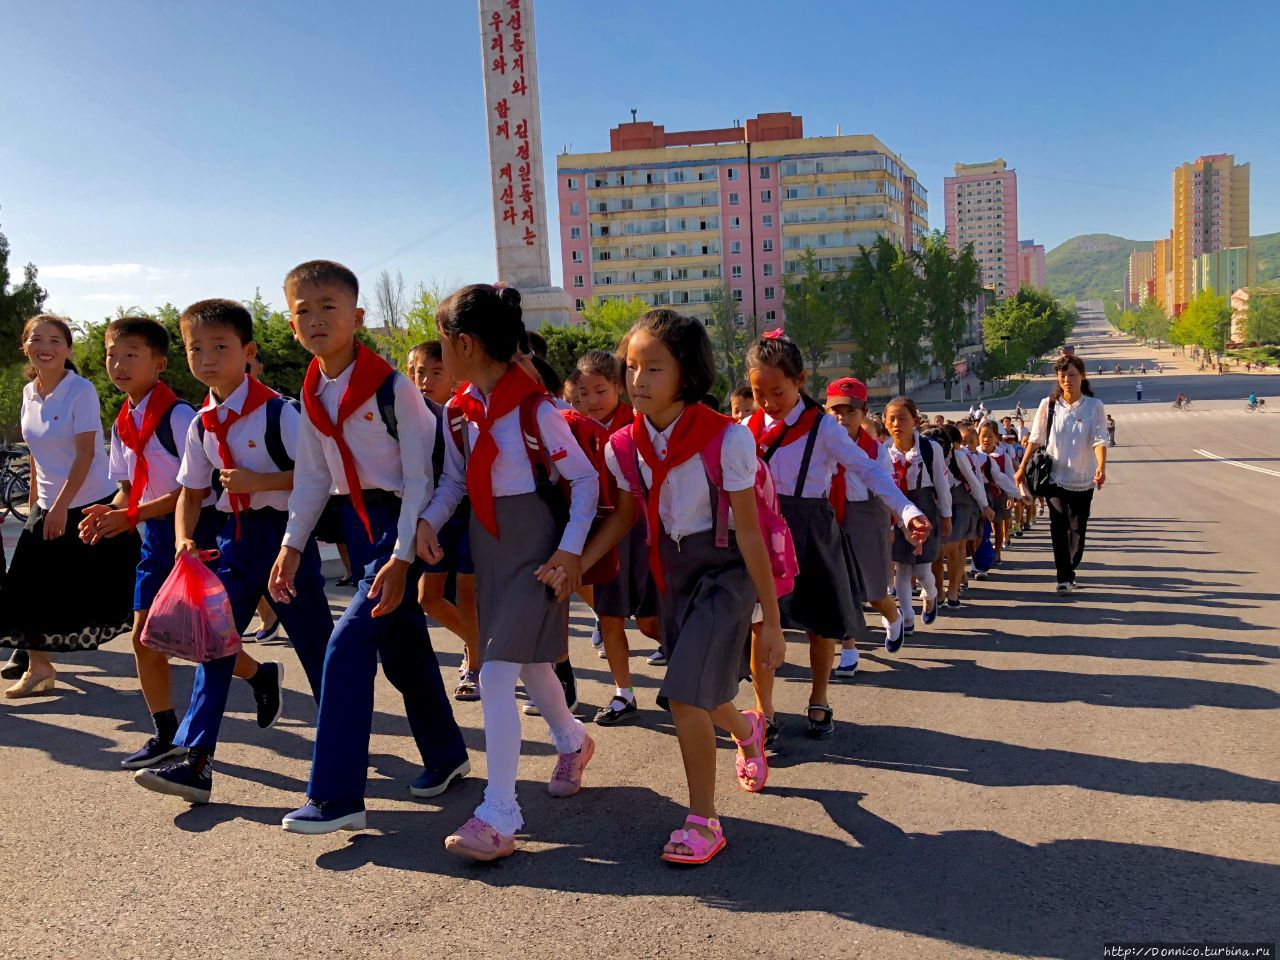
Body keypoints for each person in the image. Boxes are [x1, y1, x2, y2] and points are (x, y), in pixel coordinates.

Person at [576, 308, 783, 866]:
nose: (636, 380)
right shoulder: (623, 444)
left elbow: (749, 531)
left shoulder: (727, 440)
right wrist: (577, 562)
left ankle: (704, 822)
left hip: (725, 572)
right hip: (673, 573)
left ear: (688, 375)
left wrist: (772, 621)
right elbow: (623, 516)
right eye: (631, 366)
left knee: (686, 692)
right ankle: (748, 731)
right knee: (707, 690)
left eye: (653, 368)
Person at [267, 261, 468, 834]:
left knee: (347, 646)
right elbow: (310, 478)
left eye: (329, 307)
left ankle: (336, 797)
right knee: (402, 647)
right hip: (356, 525)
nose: (316, 319)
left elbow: (421, 480)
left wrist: (402, 558)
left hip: (400, 523)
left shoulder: (391, 387)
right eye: (303, 310)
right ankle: (447, 755)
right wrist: (292, 544)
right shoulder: (310, 391)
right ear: (291, 323)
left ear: (357, 317)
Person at [416, 283, 598, 862]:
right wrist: (430, 520)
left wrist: (569, 553)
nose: (439, 355)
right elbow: (454, 482)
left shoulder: (538, 410)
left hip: (537, 552)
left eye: (442, 343)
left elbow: (587, 481)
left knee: (495, 673)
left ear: (464, 344)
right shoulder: (458, 413)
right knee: (533, 662)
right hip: (487, 545)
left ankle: (500, 811)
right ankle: (573, 740)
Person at [133, 299, 333, 805]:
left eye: (220, 347)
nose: (206, 358)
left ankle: (339, 749)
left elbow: (321, 477)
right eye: (196, 348)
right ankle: (195, 761)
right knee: (214, 646)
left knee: (317, 651)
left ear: (247, 352)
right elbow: (191, 493)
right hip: (232, 544)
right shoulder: (202, 423)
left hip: (286, 539)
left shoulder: (279, 412)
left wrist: (258, 480)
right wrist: (183, 539)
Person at [79, 316, 272, 767]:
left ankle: (259, 676)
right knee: (144, 635)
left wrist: (133, 514)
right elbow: (130, 487)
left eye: (131, 355)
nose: (119, 364)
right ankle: (165, 730)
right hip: (152, 536)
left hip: (195, 532)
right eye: (112, 355)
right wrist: (113, 510)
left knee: (204, 638)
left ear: (160, 363)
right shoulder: (123, 420)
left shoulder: (181, 415)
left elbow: (193, 490)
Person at [745, 332, 928, 740]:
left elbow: (869, 470)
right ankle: (765, 710)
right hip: (763, 534)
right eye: (759, 392)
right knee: (761, 625)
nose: (769, 402)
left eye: (778, 391)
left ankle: (819, 697)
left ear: (801, 380)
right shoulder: (747, 428)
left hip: (812, 531)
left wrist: (907, 509)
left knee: (821, 624)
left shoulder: (824, 428)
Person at [0, 315, 140, 698]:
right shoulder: (29, 392)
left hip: (89, 504)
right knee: (24, 589)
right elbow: (35, 452)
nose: (46, 347)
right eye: (36, 340)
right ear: (24, 346)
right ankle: (39, 667)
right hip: (48, 504)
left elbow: (85, 455)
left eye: (55, 340)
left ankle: (191, 642)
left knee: (120, 588)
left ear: (68, 349)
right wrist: (35, 505)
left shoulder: (81, 390)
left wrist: (61, 507)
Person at [574, 350, 662, 726]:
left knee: (650, 621)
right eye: (583, 393)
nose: (591, 401)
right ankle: (623, 693)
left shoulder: (641, 426)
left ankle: (694, 676)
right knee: (609, 617)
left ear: (618, 389)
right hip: (603, 533)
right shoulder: (572, 427)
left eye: (599, 390)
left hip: (641, 532)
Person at [407, 339, 480, 702]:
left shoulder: (461, 413)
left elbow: (458, 477)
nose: (426, 380)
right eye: (419, 372)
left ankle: (476, 664)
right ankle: (481, 647)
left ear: (454, 375)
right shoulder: (404, 415)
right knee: (428, 596)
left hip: (468, 512)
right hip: (431, 518)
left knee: (468, 596)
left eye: (436, 372)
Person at [824, 378, 905, 667]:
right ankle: (849, 648)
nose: (842, 417)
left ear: (864, 413)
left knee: (873, 592)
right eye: (836, 410)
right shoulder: (820, 444)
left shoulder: (876, 451)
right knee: (838, 587)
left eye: (850, 411)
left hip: (867, 518)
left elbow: (887, 490)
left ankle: (892, 615)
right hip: (830, 517)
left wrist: (898, 523)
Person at [1014, 354, 1107, 593]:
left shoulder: (1094, 406)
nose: (1067, 379)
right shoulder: (1049, 404)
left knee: (1078, 529)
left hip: (1082, 479)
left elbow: (1099, 439)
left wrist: (1101, 467)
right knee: (1058, 526)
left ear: (1082, 376)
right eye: (1062, 375)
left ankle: (1070, 567)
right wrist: (1022, 468)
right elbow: (1035, 439)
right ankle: (1063, 576)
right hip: (1054, 477)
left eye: (1072, 375)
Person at [883, 397, 951, 635]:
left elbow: (941, 485)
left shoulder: (929, 449)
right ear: (884, 422)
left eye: (903, 418)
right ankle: (908, 616)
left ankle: (931, 595)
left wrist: (946, 515)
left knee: (922, 570)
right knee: (901, 568)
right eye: (891, 418)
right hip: (896, 512)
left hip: (924, 510)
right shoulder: (884, 452)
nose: (896, 423)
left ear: (915, 421)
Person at [938, 422, 991, 607]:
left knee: (955, 546)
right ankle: (940, 590)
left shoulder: (959, 456)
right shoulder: (931, 455)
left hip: (962, 503)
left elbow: (974, 482)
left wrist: (985, 506)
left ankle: (953, 590)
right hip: (941, 503)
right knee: (942, 550)